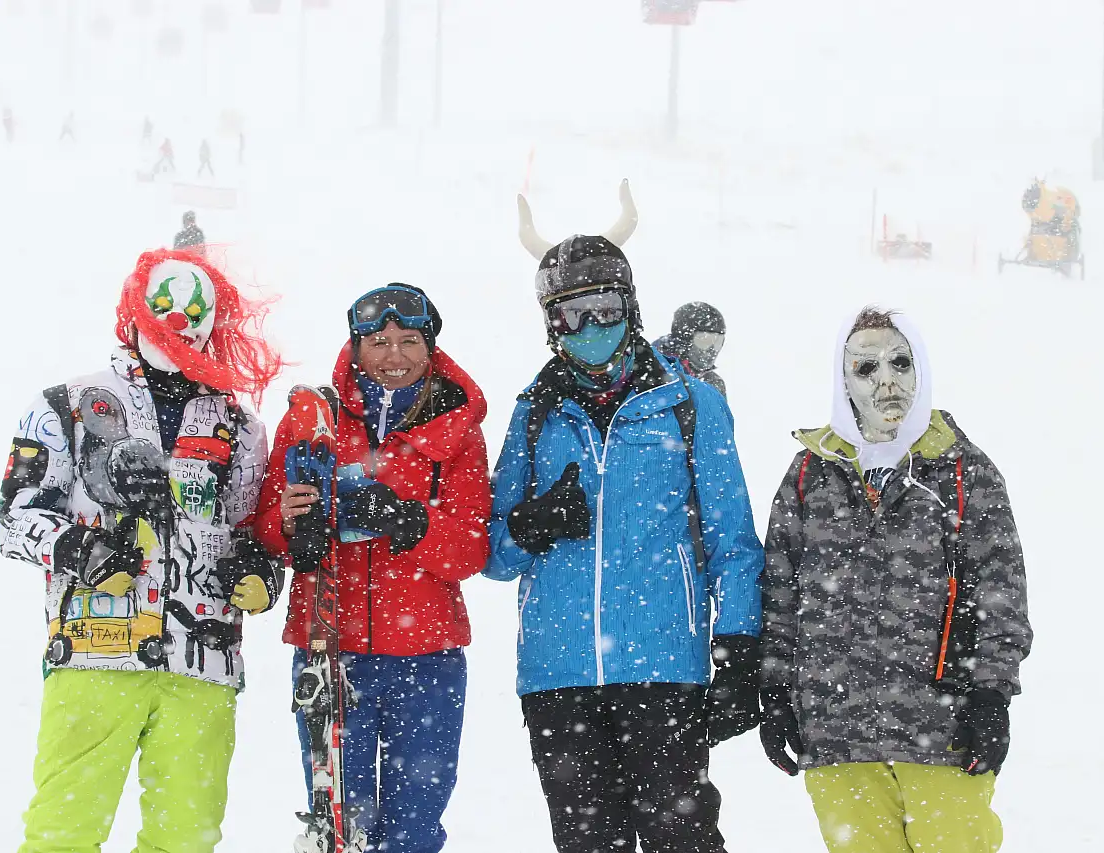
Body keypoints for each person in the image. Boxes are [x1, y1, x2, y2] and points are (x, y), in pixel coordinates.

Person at [0, 248, 284, 853]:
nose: (179, 321)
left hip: (203, 663)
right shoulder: (69, 404)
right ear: (134, 308)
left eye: (194, 310)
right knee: (63, 834)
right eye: (163, 305)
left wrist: (260, 569)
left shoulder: (239, 424)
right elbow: (12, 518)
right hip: (94, 654)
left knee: (185, 838)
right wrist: (82, 549)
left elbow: (252, 529)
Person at [485, 233, 765, 853]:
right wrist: (532, 526)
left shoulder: (691, 405)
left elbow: (734, 541)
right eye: (572, 313)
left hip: (664, 667)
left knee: (683, 840)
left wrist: (740, 648)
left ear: (631, 307)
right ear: (550, 322)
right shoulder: (533, 413)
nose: (590, 326)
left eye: (605, 308)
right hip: (559, 673)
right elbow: (493, 553)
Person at [760, 306, 1032, 853]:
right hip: (836, 729)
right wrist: (775, 688)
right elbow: (779, 592)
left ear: (921, 370)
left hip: (941, 725)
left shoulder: (964, 471)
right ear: (843, 382)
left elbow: (1001, 592)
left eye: (899, 362)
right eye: (865, 368)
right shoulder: (809, 474)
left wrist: (992, 695)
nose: (886, 381)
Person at [254, 283, 491, 853]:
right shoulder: (313, 417)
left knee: (413, 826)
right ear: (355, 346)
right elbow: (262, 525)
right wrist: (287, 521)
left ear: (430, 347)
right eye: (378, 342)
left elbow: (471, 549)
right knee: (340, 822)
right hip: (329, 646)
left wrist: (410, 523)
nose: (394, 356)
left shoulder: (456, 427)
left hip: (426, 656)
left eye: (409, 340)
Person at [654, 301, 728, 397]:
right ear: (684, 341)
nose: (712, 349)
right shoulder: (656, 374)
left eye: (718, 341)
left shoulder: (713, 383)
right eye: (705, 340)